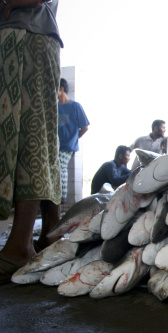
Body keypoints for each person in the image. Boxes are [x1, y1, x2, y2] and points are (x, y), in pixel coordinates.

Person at [0, 0, 63, 284]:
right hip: (23, 34)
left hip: (27, 34)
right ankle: (50, 234)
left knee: (32, 136)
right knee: (37, 134)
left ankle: (20, 245)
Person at [57, 78, 89, 205]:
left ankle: (61, 198)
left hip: (68, 145)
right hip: (55, 145)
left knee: (60, 166)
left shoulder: (75, 106)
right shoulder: (55, 107)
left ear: (61, 89)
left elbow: (85, 127)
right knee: (57, 168)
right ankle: (56, 198)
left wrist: (74, 139)